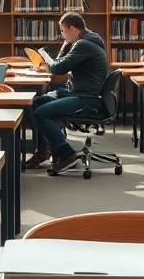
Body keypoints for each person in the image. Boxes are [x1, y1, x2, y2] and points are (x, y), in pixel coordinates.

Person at [23, 12, 110, 173]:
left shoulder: (84, 44)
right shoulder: (87, 39)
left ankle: (65, 153)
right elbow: (60, 63)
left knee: (42, 113)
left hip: (86, 99)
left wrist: (62, 48)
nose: (62, 34)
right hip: (77, 92)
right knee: (37, 102)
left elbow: (57, 68)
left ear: (71, 28)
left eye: (63, 31)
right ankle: (46, 150)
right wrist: (66, 44)